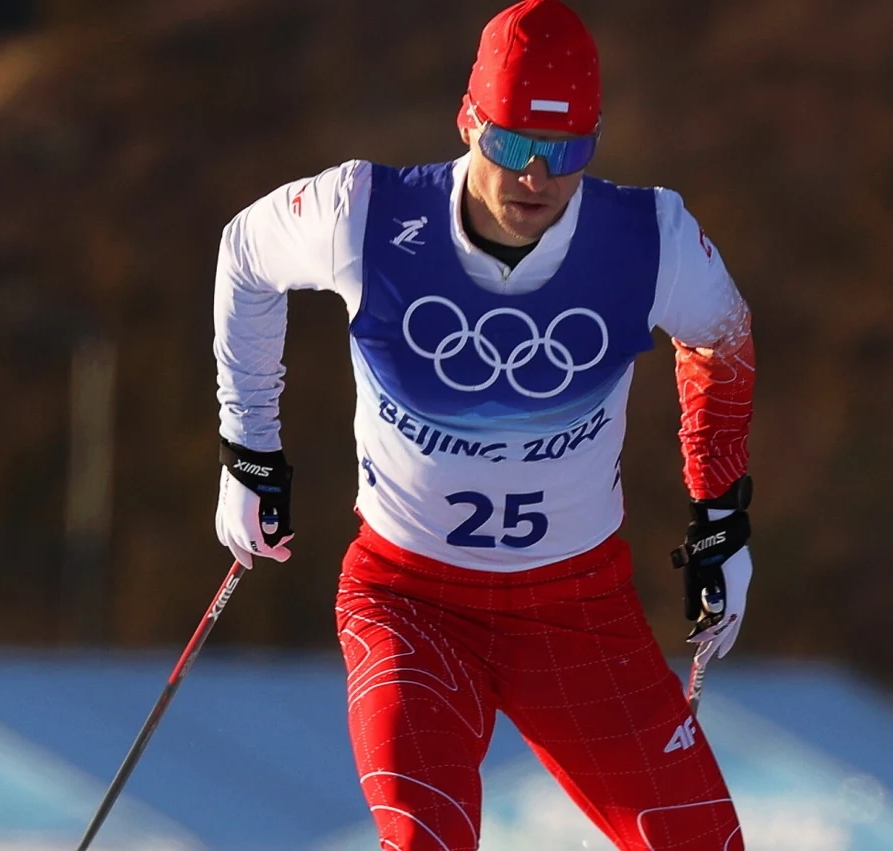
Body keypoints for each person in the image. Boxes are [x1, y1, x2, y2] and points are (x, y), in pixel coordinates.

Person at [212, 1, 755, 847]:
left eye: (565, 151)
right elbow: (245, 252)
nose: (535, 177)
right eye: (510, 145)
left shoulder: (652, 238)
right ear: (469, 122)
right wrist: (248, 449)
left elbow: (723, 338)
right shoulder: (362, 212)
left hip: (578, 608)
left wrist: (718, 516)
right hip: (408, 596)